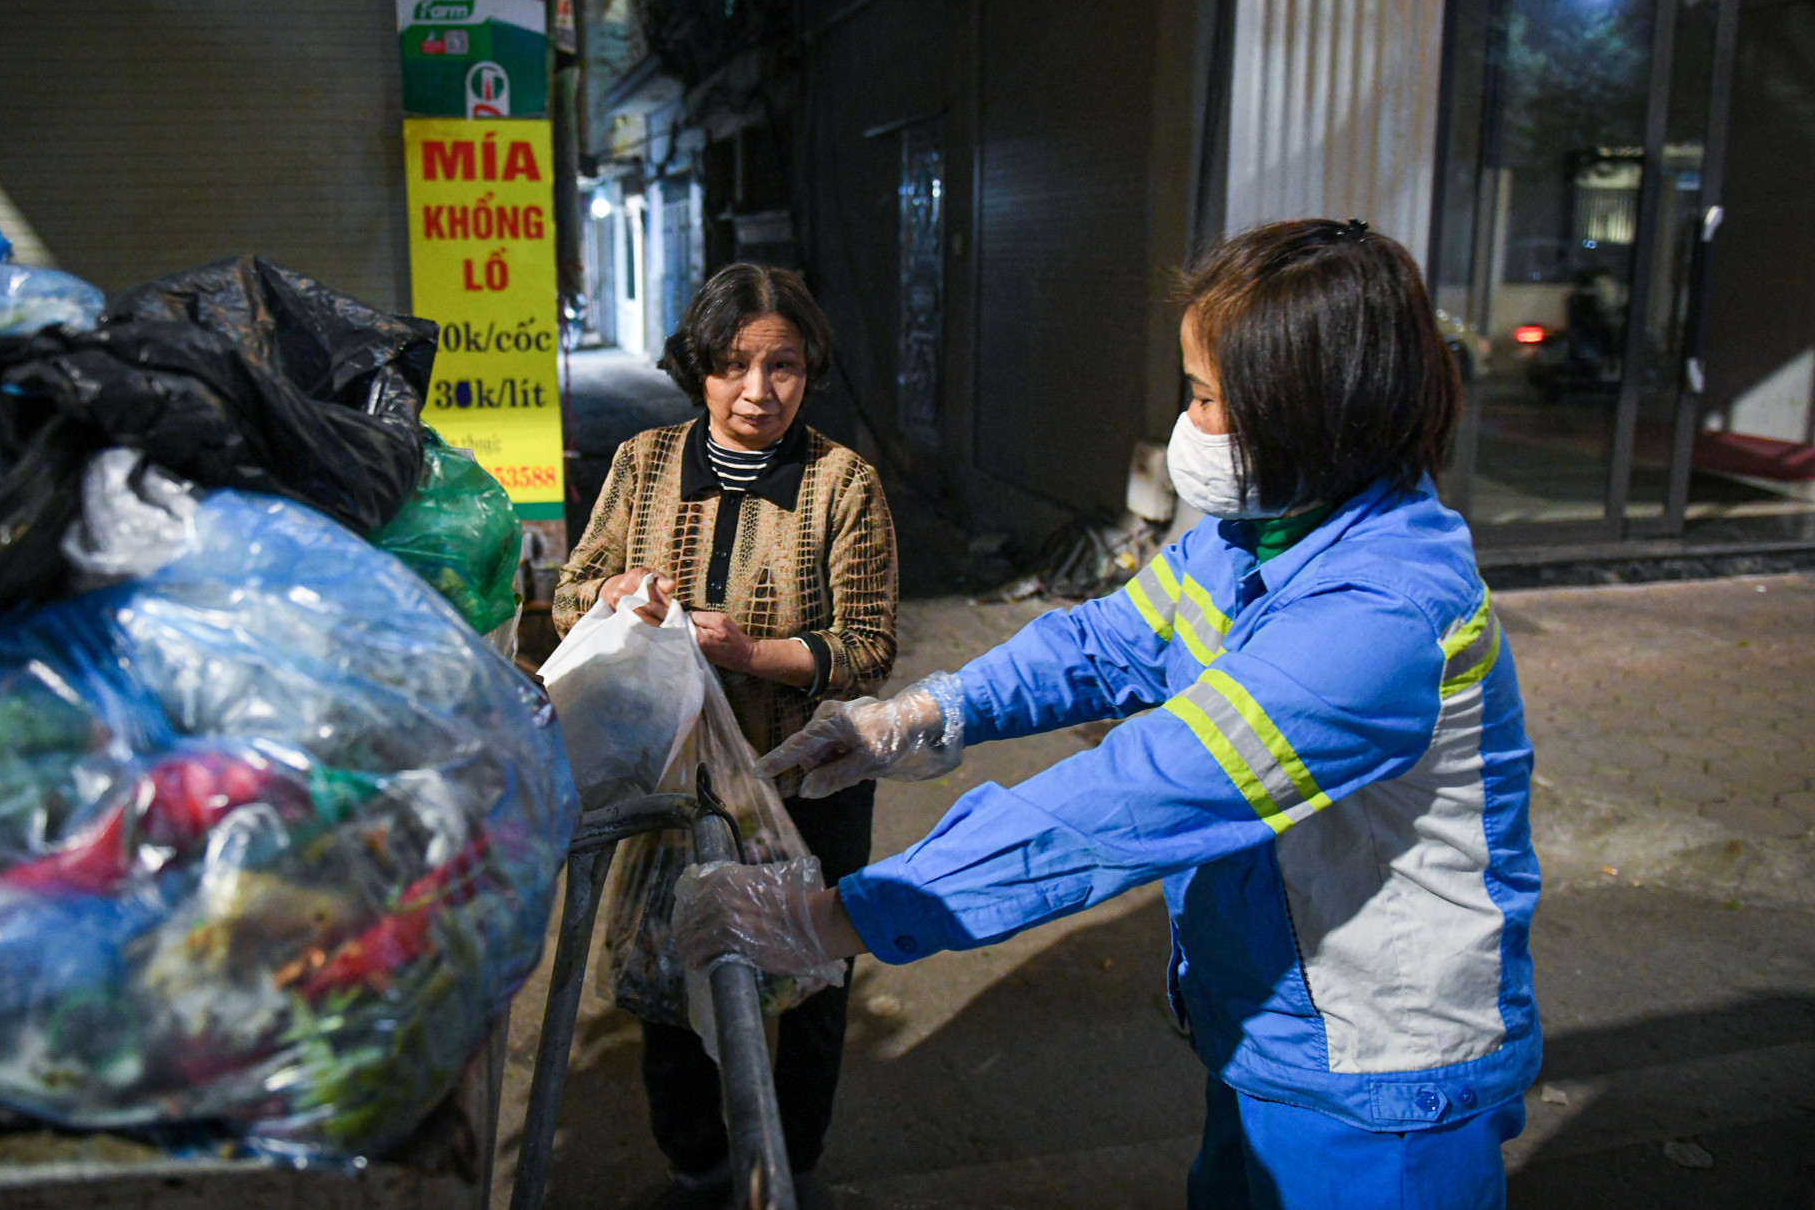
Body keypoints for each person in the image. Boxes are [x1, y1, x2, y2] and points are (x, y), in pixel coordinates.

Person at [673, 220, 1542, 1210]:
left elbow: (1133, 799)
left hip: (1381, 1079)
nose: (1189, 425)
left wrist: (830, 915)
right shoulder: (1255, 529)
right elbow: (1107, 641)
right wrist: (921, 712)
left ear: (1308, 412)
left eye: (1208, 397)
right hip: (1271, 1024)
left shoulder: (1379, 614)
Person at [553, 263, 897, 1210]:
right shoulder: (643, 463)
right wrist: (615, 595)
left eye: (782, 367)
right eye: (733, 365)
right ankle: (697, 1166)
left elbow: (868, 649)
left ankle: (792, 1170)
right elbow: (572, 593)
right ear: (697, 368)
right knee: (675, 976)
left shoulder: (842, 485)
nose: (757, 392)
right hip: (676, 781)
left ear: (808, 369)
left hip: (810, 784)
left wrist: (756, 652)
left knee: (812, 983)